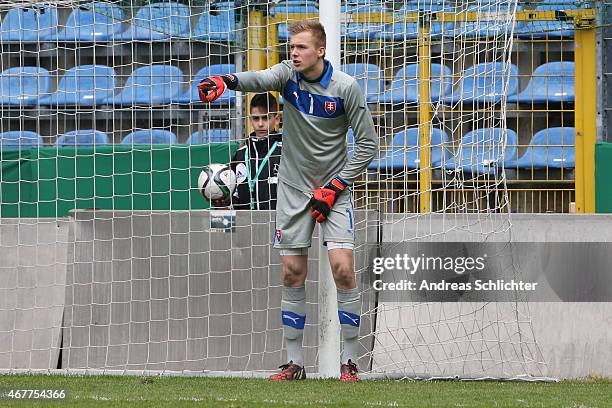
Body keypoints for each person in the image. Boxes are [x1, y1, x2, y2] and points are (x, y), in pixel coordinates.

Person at [198, 20, 377, 382]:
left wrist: (335, 185)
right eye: (291, 47)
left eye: (301, 47)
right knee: (292, 273)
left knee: (343, 269)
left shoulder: (347, 89)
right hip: (293, 190)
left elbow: (369, 146)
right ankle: (294, 363)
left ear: (321, 51)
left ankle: (350, 362)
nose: (293, 53)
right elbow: (260, 79)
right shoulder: (286, 76)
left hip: (335, 190)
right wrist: (225, 81)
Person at [211, 92, 282, 210]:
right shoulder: (240, 155)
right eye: (256, 118)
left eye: (265, 118)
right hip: (245, 225)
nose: (260, 124)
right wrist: (221, 203)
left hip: (279, 225)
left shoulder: (285, 151)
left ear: (277, 119)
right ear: (250, 120)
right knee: (216, 226)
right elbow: (232, 197)